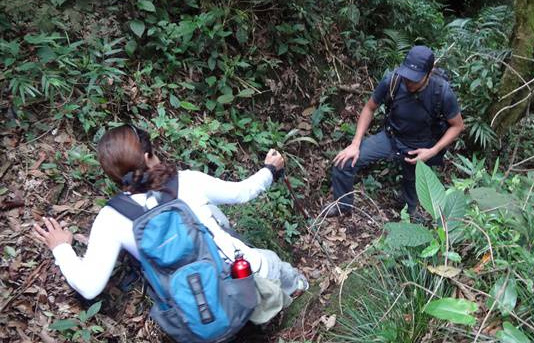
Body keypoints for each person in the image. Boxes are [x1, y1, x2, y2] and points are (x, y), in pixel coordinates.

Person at [32, 125, 308, 327]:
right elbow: (242, 193)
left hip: (197, 313)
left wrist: (61, 248)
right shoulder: (187, 181)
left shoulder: (112, 217)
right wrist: (269, 169)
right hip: (246, 282)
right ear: (149, 156)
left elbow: (89, 287)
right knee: (279, 269)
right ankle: (302, 295)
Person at [328, 45, 465, 218]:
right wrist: (355, 144)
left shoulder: (442, 92)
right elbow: (369, 108)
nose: (409, 82)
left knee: (412, 183)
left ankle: (410, 211)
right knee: (345, 162)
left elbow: (457, 125)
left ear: (428, 74)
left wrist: (432, 151)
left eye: (415, 79)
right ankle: (343, 206)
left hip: (420, 146)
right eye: (407, 76)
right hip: (391, 137)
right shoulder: (393, 81)